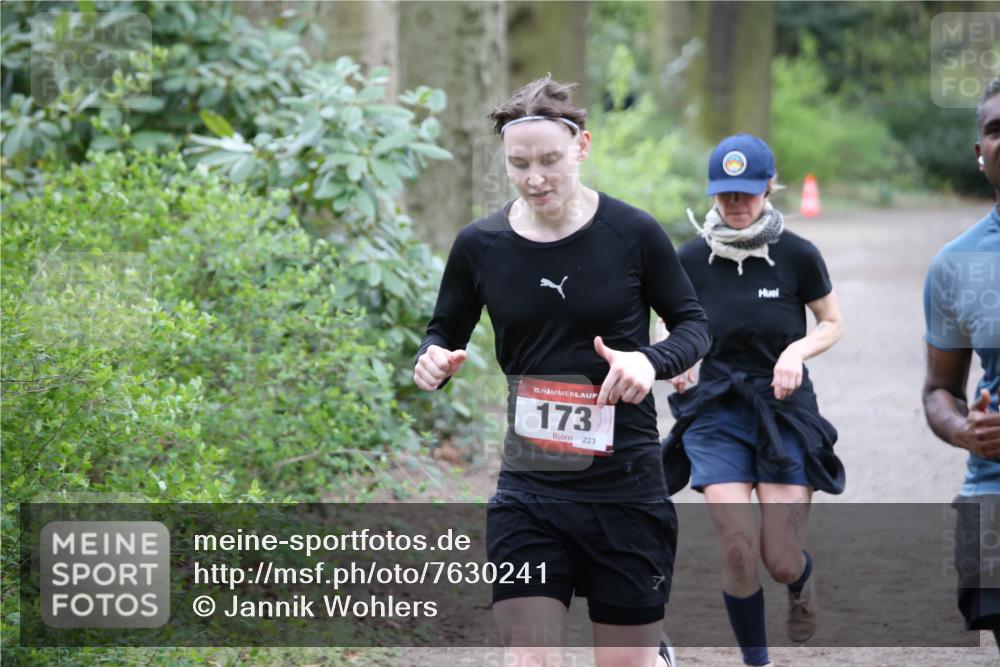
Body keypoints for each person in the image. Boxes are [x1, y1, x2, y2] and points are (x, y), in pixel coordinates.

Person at [414, 76, 712, 667]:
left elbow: (694, 327)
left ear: (581, 147)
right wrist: (435, 360)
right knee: (530, 658)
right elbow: (443, 330)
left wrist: (648, 360)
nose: (535, 178)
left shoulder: (632, 234)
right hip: (530, 487)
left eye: (549, 160)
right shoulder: (480, 245)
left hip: (625, 486)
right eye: (519, 164)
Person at [660, 135, 845, 667]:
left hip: (784, 410)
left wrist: (795, 351)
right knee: (738, 548)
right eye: (725, 193)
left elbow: (831, 322)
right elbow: (667, 325)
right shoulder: (689, 259)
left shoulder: (798, 254)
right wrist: (677, 357)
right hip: (715, 410)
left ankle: (801, 581)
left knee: (780, 559)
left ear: (769, 186)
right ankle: (756, 661)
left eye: (746, 191)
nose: (735, 203)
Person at [922, 75, 1000, 655]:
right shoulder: (955, 265)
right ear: (980, 151)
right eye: (996, 129)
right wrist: (963, 430)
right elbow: (939, 391)